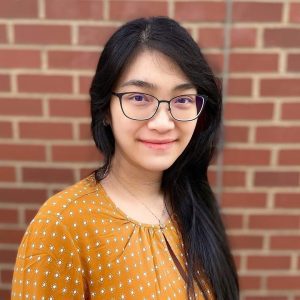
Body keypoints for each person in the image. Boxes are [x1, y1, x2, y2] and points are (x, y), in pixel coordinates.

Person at [11, 17, 239, 299]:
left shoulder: (191, 201)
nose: (163, 122)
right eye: (140, 98)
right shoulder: (62, 225)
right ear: (105, 109)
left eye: (182, 100)